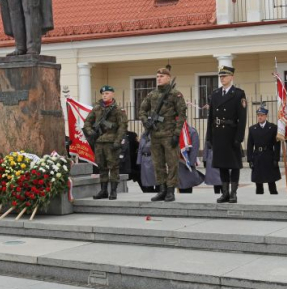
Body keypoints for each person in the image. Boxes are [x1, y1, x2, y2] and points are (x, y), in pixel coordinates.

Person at [138, 68, 187, 202]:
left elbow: (182, 115)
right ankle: (162, 189)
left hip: (169, 134)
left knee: (172, 164)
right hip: (155, 135)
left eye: (162, 76)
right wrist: (146, 122)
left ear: (168, 78)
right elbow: (142, 110)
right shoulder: (151, 95)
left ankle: (170, 190)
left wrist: (177, 134)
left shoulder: (175, 94)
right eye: (157, 76)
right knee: (157, 164)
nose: (159, 78)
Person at [205, 65, 247, 203]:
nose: (222, 78)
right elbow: (210, 118)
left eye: (225, 76)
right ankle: (225, 193)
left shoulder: (238, 94)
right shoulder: (215, 94)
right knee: (222, 165)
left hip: (232, 133)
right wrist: (209, 137)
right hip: (218, 134)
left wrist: (239, 137)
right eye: (221, 76)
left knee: (234, 165)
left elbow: (242, 118)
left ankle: (233, 193)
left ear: (231, 77)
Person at [83, 85, 128, 200]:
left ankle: (113, 191)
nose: (104, 95)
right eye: (103, 94)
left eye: (107, 93)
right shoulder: (97, 108)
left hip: (111, 142)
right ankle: (103, 191)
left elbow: (122, 127)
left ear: (112, 94)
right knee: (102, 167)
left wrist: (118, 141)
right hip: (99, 141)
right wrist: (90, 131)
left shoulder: (118, 110)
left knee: (113, 167)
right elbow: (87, 122)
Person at [247, 105, 281, 195]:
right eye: (258, 115)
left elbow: (277, 144)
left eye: (262, 115)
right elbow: (250, 145)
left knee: (271, 182)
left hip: (268, 156)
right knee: (258, 183)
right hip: (257, 157)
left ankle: (274, 199)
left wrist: (276, 159)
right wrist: (250, 160)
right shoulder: (252, 129)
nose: (260, 117)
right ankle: (259, 200)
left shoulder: (273, 128)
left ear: (266, 116)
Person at [178, 124, 205, 193]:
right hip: (177, 163)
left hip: (186, 163)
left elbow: (195, 149)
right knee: (179, 186)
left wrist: (191, 163)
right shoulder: (173, 131)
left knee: (187, 186)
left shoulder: (192, 131)